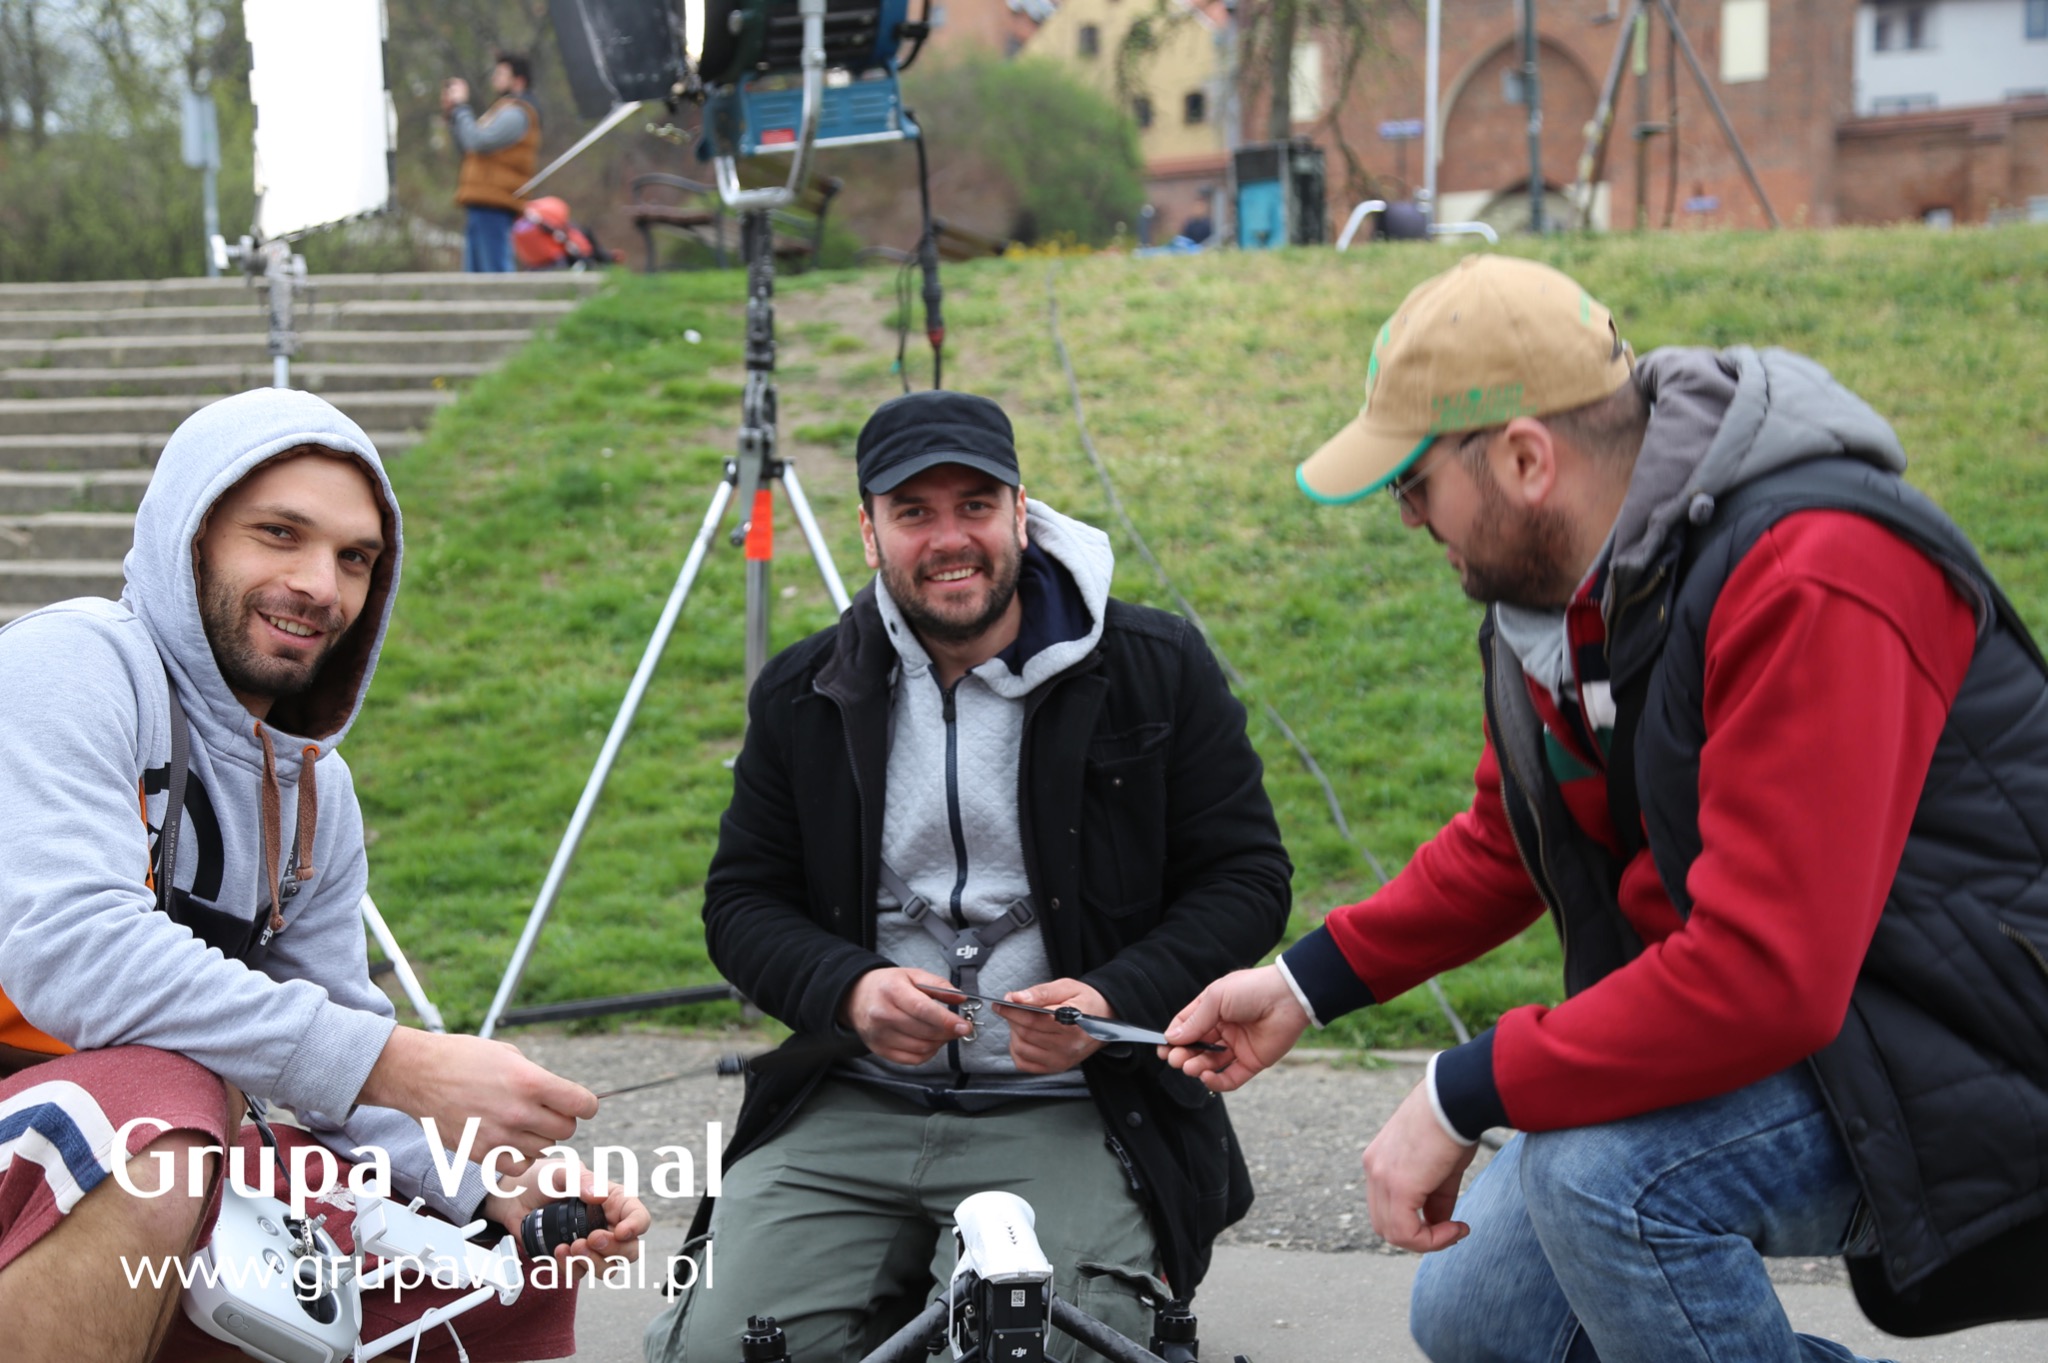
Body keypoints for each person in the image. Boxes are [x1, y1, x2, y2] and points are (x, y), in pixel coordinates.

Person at [1163, 255, 2048, 1360]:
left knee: (1611, 1187)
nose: (1406, 521)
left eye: (1411, 485)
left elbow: (1766, 974)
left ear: (1526, 457)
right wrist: (1302, 984)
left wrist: (1458, 1088)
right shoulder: (1558, 603)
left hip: (1966, 1046)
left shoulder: (1813, 568)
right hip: (1810, 1026)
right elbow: (1508, 839)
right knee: (1479, 1315)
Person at [0, 388, 649, 1362]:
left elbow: (331, 1033)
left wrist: (483, 1178)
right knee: (154, 1110)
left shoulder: (314, 789)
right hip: (74, 1128)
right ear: (192, 534)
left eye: (355, 559)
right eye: (278, 534)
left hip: (176, 1145)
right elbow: (76, 957)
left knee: (498, 1268)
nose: (321, 585)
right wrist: (411, 1065)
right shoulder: (73, 661)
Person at [644, 390, 1292, 1363]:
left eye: (975, 505)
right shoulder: (801, 690)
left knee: (1042, 1349)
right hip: (852, 1098)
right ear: (867, 531)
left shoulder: (1153, 664)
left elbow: (1247, 877)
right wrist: (849, 990)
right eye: (913, 512)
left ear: (1020, 513)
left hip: (1070, 1109)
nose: (950, 538)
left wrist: (1111, 998)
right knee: (713, 1353)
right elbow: (740, 903)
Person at [443, 52, 540, 273]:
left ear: (519, 81)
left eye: (501, 73)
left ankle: (506, 308)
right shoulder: (502, 109)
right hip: (482, 201)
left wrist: (462, 108)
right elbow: (468, 147)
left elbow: (478, 141)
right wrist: (453, 115)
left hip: (495, 204)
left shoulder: (516, 112)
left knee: (495, 272)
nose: (495, 78)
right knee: (475, 275)